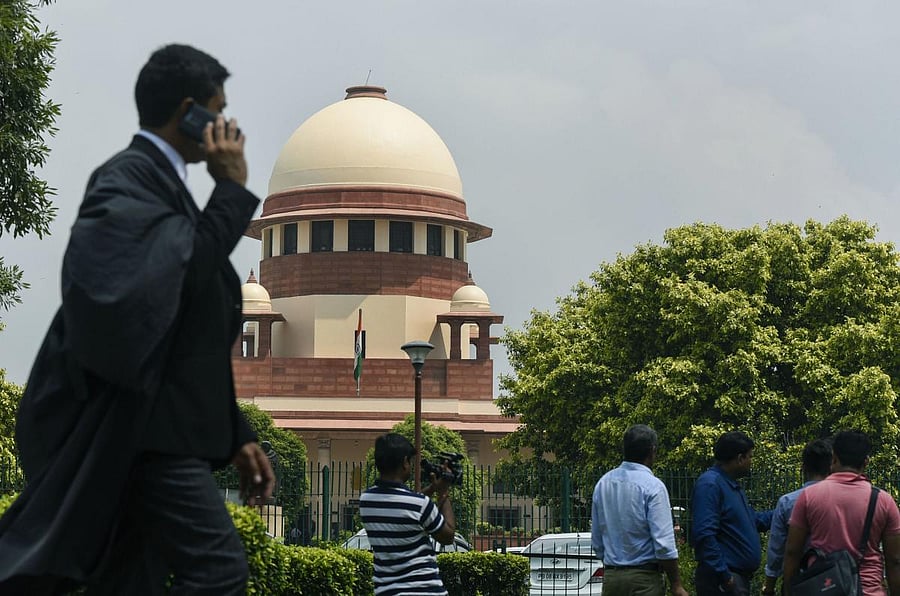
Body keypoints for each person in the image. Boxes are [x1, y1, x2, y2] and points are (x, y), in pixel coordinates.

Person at [0, 44, 274, 594]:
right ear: (189, 111)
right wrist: (232, 191)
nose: (227, 125)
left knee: (129, 582)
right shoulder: (125, 181)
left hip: (154, 429)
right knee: (219, 570)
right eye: (218, 110)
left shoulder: (160, 186)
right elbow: (165, 292)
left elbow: (184, 330)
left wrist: (237, 432)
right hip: (146, 438)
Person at [783, 430, 900, 595]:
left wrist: (789, 590)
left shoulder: (809, 496)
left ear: (834, 458)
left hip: (823, 589)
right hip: (868, 590)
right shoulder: (884, 501)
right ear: (866, 462)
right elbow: (894, 560)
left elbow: (792, 551)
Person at [591, 424, 688, 596]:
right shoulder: (653, 487)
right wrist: (676, 584)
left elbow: (597, 541)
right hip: (644, 578)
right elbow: (664, 545)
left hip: (612, 577)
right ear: (652, 451)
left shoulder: (603, 483)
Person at [359, 433, 456, 596]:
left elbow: (403, 504)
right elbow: (448, 536)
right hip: (426, 591)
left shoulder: (366, 500)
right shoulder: (420, 505)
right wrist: (443, 493)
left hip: (387, 591)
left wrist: (431, 489)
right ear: (405, 462)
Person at [691, 430, 773, 595]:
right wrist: (725, 576)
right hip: (722, 582)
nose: (751, 462)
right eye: (750, 457)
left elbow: (752, 521)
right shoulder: (711, 485)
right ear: (739, 458)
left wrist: (785, 510)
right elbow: (704, 534)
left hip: (735, 579)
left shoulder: (731, 486)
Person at [761, 438, 832, 596]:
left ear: (803, 467)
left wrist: (769, 586)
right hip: (836, 577)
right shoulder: (842, 499)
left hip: (800, 580)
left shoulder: (788, 502)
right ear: (831, 467)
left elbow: (777, 549)